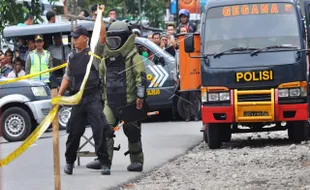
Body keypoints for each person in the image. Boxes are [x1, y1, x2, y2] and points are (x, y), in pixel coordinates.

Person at [86, 21, 147, 172]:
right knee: (103, 128)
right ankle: (104, 160)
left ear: (125, 39)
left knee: (131, 130)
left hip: (130, 102)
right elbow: (100, 78)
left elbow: (142, 78)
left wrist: (140, 97)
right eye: (111, 41)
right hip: (110, 103)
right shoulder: (106, 60)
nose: (113, 44)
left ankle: (137, 161)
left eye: (116, 41)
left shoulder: (134, 58)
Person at [57, 18, 112, 175]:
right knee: (74, 131)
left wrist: (99, 18)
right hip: (78, 99)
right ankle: (69, 162)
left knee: (98, 130)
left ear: (85, 38)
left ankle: (104, 163)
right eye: (73, 37)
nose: (74, 40)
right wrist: (59, 96)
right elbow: (67, 77)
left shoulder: (93, 53)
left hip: (93, 96)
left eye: (77, 37)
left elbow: (102, 37)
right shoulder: (72, 57)